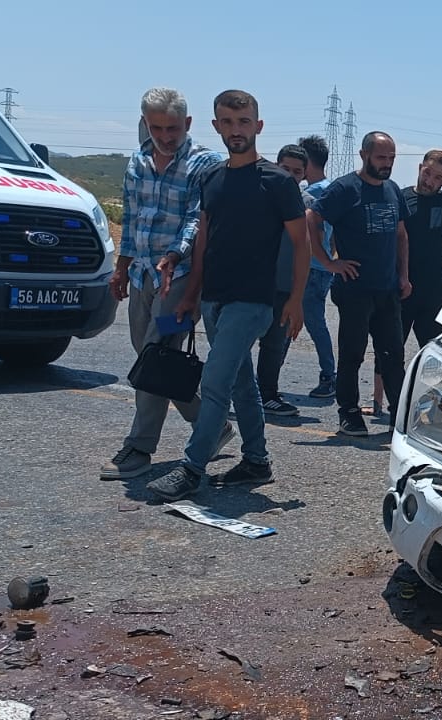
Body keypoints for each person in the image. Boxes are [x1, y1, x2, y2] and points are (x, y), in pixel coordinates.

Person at [146, 90, 309, 501]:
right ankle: (256, 461)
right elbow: (204, 239)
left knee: (215, 382)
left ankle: (191, 468)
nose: (236, 130)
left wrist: (296, 300)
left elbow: (301, 243)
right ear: (216, 126)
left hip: (253, 301)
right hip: (214, 299)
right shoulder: (212, 178)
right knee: (241, 383)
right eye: (228, 122)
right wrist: (192, 295)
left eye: (244, 122)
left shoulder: (277, 181)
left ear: (258, 126)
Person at [101, 87, 229, 481]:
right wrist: (121, 268)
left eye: (172, 128)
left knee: (155, 357)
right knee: (153, 361)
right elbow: (133, 218)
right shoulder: (138, 161)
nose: (165, 137)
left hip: (180, 277)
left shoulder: (204, 164)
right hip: (142, 273)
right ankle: (212, 426)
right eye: (156, 128)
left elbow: (196, 218)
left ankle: (139, 448)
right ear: (145, 123)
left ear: (187, 123)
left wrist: (175, 255)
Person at [308, 131, 410, 436]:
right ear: (364, 155)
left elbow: (401, 235)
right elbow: (311, 218)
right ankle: (349, 413)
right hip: (354, 289)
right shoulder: (345, 188)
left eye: (391, 158)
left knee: (393, 355)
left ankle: (399, 417)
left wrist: (404, 275)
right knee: (352, 354)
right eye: (381, 157)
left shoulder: (392, 190)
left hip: (387, 289)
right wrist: (328, 262)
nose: (387, 163)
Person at [369, 149, 442, 413]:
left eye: (438, 177)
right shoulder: (400, 197)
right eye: (428, 172)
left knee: (436, 351)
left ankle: (437, 407)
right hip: (401, 285)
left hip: (434, 288)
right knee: (389, 347)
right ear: (420, 168)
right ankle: (377, 402)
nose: (430, 180)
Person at [253, 144, 317, 417]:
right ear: (276, 166)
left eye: (297, 172)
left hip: (285, 286)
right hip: (253, 283)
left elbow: (311, 246)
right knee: (238, 342)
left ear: (304, 175)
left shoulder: (307, 205)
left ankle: (268, 395)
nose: (290, 176)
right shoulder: (257, 194)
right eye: (285, 169)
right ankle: (229, 392)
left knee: (275, 344)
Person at [297, 135, 338, 399]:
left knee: (312, 322)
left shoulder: (312, 193)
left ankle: (329, 376)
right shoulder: (330, 188)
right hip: (321, 266)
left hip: (311, 266)